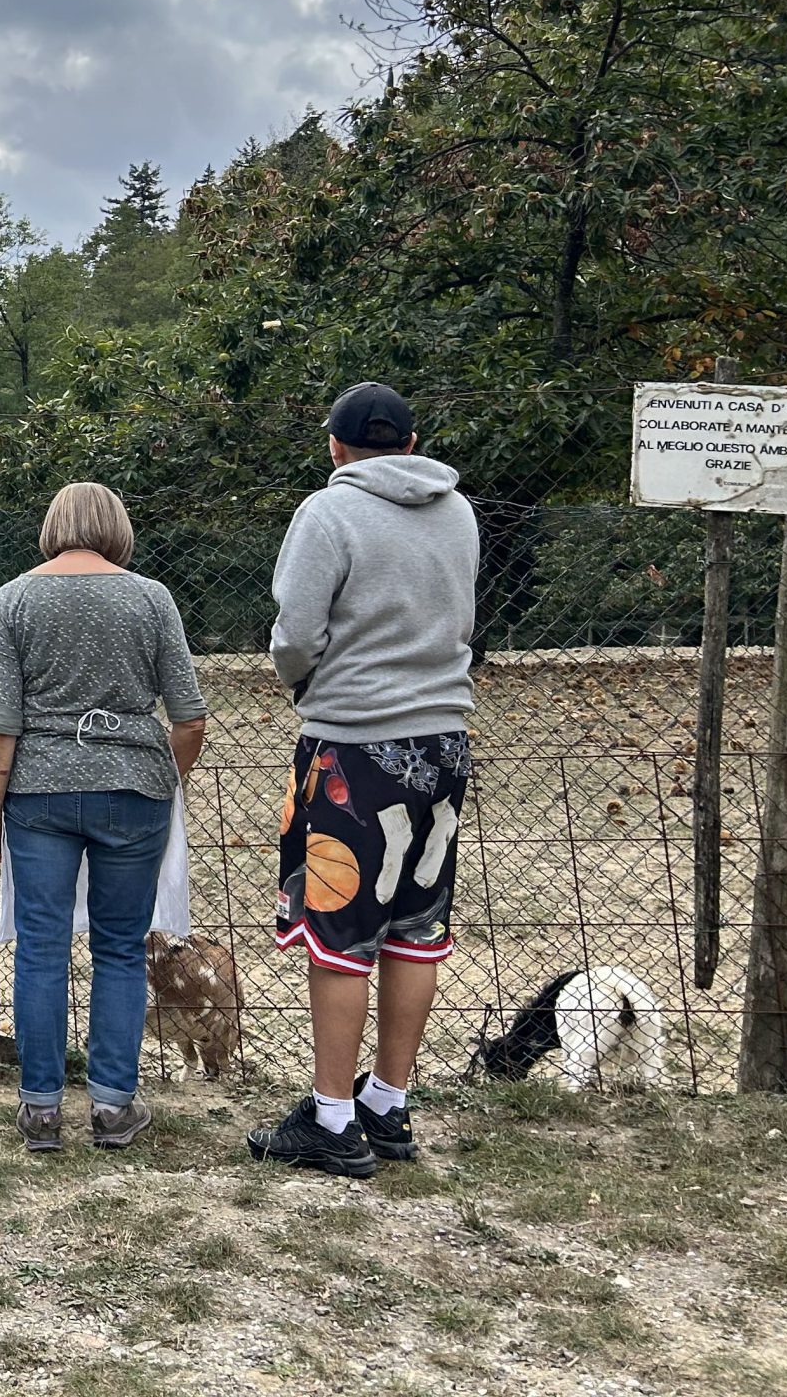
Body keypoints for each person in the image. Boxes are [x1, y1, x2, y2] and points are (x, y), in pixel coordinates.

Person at [247, 381, 479, 1177]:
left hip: (354, 747)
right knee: (417, 926)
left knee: (340, 931)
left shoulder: (327, 512)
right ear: (412, 445)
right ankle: (388, 1099)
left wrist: (309, 689)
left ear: (336, 447)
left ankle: (333, 1116)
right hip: (443, 743)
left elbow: (296, 632)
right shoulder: (459, 512)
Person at [0, 483, 207, 1152]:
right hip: (134, 791)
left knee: (41, 948)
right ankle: (111, 1107)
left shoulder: (12, 599)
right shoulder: (150, 598)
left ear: (52, 527)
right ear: (117, 528)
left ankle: (41, 1110)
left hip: (39, 792)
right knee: (121, 949)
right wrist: (164, 779)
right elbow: (189, 716)